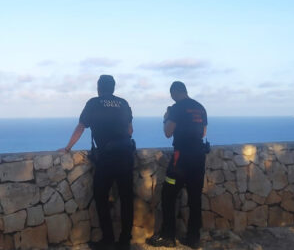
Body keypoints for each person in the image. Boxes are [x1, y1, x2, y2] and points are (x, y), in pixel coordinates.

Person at [60, 75, 134, 250]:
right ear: (113, 88)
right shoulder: (123, 103)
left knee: (100, 197)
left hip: (106, 159)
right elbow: (130, 130)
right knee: (126, 200)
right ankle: (125, 242)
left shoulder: (93, 103)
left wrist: (68, 148)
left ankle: (108, 239)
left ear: (99, 88)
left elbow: (81, 127)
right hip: (126, 156)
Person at [147, 81, 208, 249]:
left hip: (180, 161)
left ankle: (168, 236)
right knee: (195, 199)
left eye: (171, 95)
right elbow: (203, 133)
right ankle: (193, 238)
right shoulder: (201, 108)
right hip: (199, 158)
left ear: (174, 93)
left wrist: (166, 118)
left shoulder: (176, 108)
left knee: (168, 195)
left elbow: (168, 133)